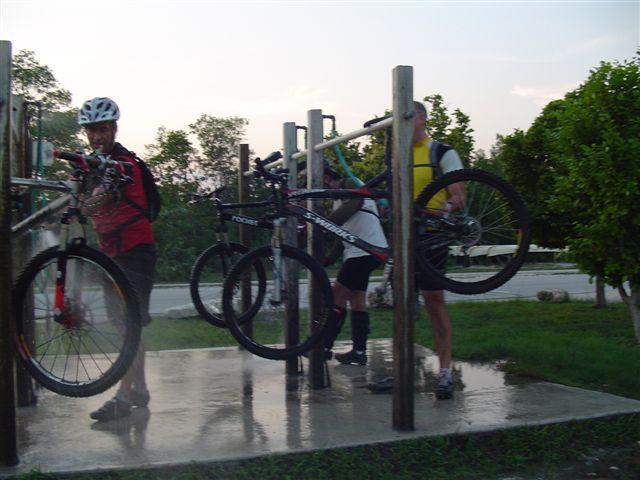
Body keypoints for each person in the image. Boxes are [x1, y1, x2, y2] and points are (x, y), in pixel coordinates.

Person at [368, 101, 464, 399]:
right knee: (403, 306)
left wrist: (443, 210)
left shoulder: (442, 152)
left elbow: (459, 194)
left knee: (434, 302)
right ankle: (402, 372)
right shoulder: (399, 156)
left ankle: (445, 371)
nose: (404, 124)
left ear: (422, 117)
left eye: (408, 117)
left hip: (431, 236)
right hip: (402, 237)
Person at [78, 97, 157, 421]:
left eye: (101, 129)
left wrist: (75, 207)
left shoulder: (122, 164)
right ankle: (139, 388)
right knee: (125, 325)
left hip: (134, 252)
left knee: (128, 324)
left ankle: (123, 397)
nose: (96, 137)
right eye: (90, 131)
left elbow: (96, 201)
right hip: (111, 254)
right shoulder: (95, 165)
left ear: (113, 129)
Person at [320, 161, 389, 366]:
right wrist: (328, 259)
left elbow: (355, 204)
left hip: (366, 250)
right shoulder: (337, 199)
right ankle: (359, 352)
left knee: (337, 293)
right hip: (361, 251)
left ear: (328, 177)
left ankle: (324, 346)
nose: (324, 184)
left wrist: (323, 223)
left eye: (324, 180)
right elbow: (343, 235)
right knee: (357, 299)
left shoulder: (349, 183)